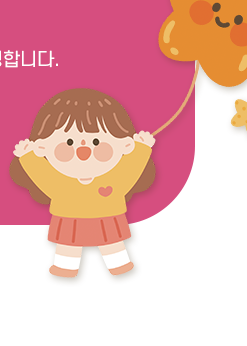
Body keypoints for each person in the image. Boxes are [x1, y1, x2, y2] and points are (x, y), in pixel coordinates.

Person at [11, 88, 156, 286]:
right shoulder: (61, 185)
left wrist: (141, 149)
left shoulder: (114, 180)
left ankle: (119, 266)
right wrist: (28, 158)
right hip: (72, 219)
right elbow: (42, 176)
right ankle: (65, 269)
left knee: (112, 245)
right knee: (68, 248)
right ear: (43, 146)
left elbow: (131, 171)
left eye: (96, 141)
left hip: (105, 217)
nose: (83, 150)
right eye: (69, 142)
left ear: (124, 145)